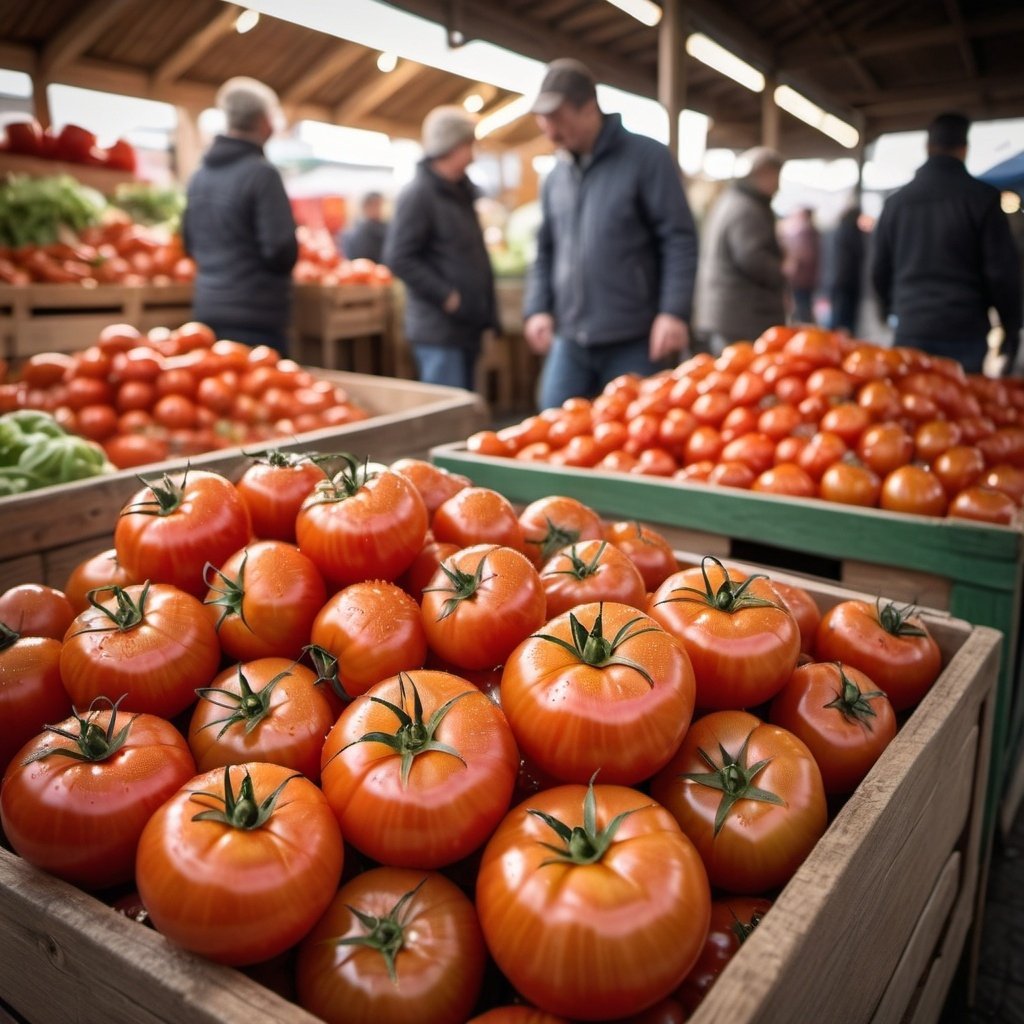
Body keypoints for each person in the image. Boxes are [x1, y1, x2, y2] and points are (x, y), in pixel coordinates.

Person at [522, 58, 697, 411]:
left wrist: (673, 311)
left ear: (589, 109)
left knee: (636, 436)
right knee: (552, 425)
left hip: (633, 338)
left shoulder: (647, 158)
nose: (550, 132)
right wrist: (537, 308)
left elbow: (678, 238)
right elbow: (545, 249)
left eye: (558, 118)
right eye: (544, 120)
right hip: (570, 339)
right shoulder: (556, 176)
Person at [871, 112, 1022, 375]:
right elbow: (1002, 273)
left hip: (911, 323)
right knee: (961, 409)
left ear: (927, 147)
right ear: (964, 149)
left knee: (912, 410)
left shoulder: (896, 203)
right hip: (964, 328)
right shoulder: (982, 199)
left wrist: (888, 310)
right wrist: (1011, 327)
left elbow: (877, 268)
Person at [383, 105, 497, 391]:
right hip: (439, 330)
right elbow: (398, 257)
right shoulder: (419, 195)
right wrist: (448, 296)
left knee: (464, 408)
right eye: (469, 145)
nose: (473, 154)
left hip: (465, 327)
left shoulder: (459, 193)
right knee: (449, 413)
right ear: (453, 146)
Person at [182, 77, 297, 353]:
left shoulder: (199, 176)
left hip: (208, 311)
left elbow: (189, 243)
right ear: (264, 122)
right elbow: (280, 248)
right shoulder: (262, 175)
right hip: (256, 317)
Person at [693, 147, 787, 352]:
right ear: (762, 174)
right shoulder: (747, 209)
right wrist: (783, 269)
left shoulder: (731, 200)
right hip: (742, 315)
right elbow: (752, 257)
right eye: (776, 177)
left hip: (728, 312)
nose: (778, 185)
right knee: (741, 372)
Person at [828, 203, 866, 335]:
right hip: (847, 281)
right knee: (844, 319)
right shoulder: (853, 233)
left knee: (839, 317)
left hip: (839, 280)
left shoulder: (840, 231)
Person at [780, 206, 821, 324]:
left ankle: (806, 332)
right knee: (803, 306)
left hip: (801, 279)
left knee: (802, 307)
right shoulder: (811, 231)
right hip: (807, 278)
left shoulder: (804, 232)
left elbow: (803, 256)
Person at [340, 192, 387, 263]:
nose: (379, 210)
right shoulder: (359, 230)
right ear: (365, 207)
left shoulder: (383, 227)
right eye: (375, 205)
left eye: (379, 206)